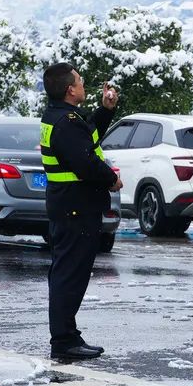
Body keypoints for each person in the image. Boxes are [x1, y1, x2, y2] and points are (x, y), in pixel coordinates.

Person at [40, 63, 122, 360]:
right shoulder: (65, 122)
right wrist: (112, 179)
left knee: (68, 274)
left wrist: (106, 110)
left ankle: (67, 335)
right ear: (70, 89)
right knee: (69, 277)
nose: (84, 85)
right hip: (75, 208)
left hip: (71, 206)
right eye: (80, 82)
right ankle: (63, 341)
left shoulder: (62, 118)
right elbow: (85, 163)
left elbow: (88, 135)